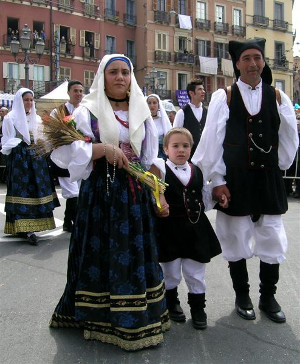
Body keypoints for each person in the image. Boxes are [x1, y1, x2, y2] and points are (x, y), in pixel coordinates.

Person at [49, 54, 171, 351]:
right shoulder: (87, 111)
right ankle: (99, 316)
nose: (120, 77)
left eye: (125, 72)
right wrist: (100, 149)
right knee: (102, 250)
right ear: (102, 77)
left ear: (132, 77)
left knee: (134, 251)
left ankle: (137, 315)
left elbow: (150, 156)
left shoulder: (141, 111)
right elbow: (64, 151)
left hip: (134, 194)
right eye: (113, 72)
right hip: (101, 194)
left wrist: (159, 191)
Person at [192, 38, 298, 324]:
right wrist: (216, 180)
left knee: (272, 238)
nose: (253, 63)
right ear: (237, 64)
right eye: (247, 58)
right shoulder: (224, 97)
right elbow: (212, 143)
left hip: (267, 179)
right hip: (235, 181)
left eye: (257, 58)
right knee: (235, 238)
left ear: (263, 62)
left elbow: (289, 138)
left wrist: (280, 166)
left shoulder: (277, 96)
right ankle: (242, 296)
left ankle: (268, 297)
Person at [156, 127, 225, 330]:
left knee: (195, 272)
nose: (181, 150)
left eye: (185, 146)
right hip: (169, 231)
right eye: (175, 146)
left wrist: (216, 196)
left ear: (191, 148)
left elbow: (204, 198)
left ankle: (198, 308)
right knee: (170, 273)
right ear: (166, 149)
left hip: (195, 229)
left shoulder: (197, 171)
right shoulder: (160, 170)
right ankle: (171, 302)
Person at [0, 88, 60, 245]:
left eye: (31, 100)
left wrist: (44, 144)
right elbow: (5, 142)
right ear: (20, 101)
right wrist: (18, 142)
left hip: (36, 158)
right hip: (20, 160)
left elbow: (42, 138)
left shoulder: (37, 118)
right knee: (22, 190)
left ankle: (34, 226)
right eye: (26, 99)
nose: (29, 102)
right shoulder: (10, 119)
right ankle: (23, 227)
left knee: (37, 189)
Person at [50, 80, 84, 232]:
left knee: (78, 192)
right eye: (75, 91)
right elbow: (51, 132)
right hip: (64, 158)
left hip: (82, 158)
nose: (78, 94)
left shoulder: (85, 110)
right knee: (72, 193)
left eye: (81, 91)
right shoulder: (59, 112)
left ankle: (66, 221)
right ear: (69, 92)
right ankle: (76, 223)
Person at [173, 80, 207, 159]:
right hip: (188, 156)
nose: (203, 92)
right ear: (191, 93)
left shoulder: (207, 112)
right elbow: (175, 135)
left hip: (204, 156)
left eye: (203, 89)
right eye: (199, 89)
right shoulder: (182, 113)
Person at [146, 94, 172, 160]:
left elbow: (169, 136)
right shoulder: (144, 121)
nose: (152, 105)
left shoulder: (163, 121)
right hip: (146, 152)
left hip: (161, 154)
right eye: (149, 103)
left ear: (158, 105)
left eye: (154, 103)